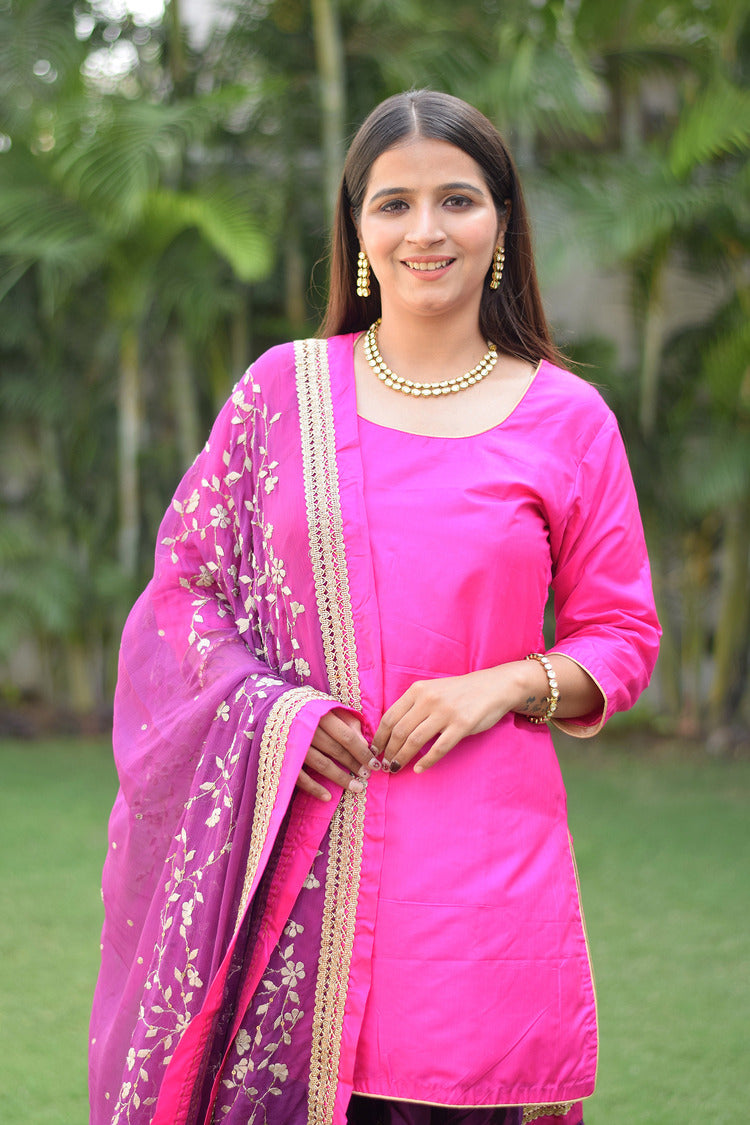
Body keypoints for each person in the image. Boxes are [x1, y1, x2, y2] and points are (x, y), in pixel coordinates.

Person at [89, 90, 660, 1125]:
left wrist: (503, 684)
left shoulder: (568, 420)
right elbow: (184, 590)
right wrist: (272, 720)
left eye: (458, 199)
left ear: (502, 223)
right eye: (393, 204)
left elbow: (621, 636)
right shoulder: (282, 393)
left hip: (479, 892)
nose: (427, 230)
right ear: (356, 228)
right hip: (292, 865)